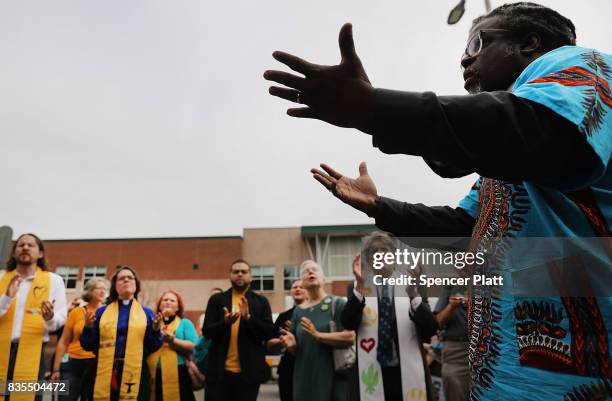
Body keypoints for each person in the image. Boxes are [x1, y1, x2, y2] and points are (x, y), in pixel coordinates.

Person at [265, 3, 611, 400]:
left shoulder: (581, 68)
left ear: (530, 43)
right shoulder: (507, 167)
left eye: (479, 43)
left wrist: (376, 108)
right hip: (514, 378)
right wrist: (380, 208)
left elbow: (537, 129)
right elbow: (464, 227)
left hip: (583, 374)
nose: (465, 57)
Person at [341, 233, 437, 401]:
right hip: (370, 369)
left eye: (384, 250)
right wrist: (359, 289)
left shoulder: (413, 283)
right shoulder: (357, 286)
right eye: (373, 251)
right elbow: (347, 323)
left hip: (406, 370)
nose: (379, 254)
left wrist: (413, 296)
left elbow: (430, 328)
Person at [0, 233, 68, 401]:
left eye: (31, 245)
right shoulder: (1, 278)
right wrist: (7, 297)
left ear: (40, 253)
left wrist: (50, 317)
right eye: (20, 245)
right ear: (14, 252)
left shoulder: (54, 281)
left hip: (34, 354)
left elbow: (58, 321)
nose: (25, 247)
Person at [80, 266, 164, 401]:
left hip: (136, 371)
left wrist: (154, 330)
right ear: (115, 286)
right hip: (105, 370)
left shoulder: (147, 314)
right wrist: (88, 328)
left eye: (130, 278)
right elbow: (88, 345)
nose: (126, 280)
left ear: (136, 285)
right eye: (121, 278)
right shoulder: (102, 312)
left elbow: (153, 346)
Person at [279, 260, 355, 401]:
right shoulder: (298, 311)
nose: (310, 272)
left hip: (333, 378)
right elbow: (296, 351)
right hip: (303, 379)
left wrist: (318, 335)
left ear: (324, 278)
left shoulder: (337, 303)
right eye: (306, 271)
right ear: (302, 281)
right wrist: (291, 345)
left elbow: (350, 336)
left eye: (314, 269)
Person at [203, 259, 275, 401]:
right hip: (219, 373)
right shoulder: (217, 300)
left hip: (248, 374)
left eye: (244, 272)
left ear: (251, 277)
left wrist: (249, 318)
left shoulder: (261, 301)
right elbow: (207, 332)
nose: (240, 274)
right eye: (236, 272)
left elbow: (269, 332)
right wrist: (225, 323)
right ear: (230, 276)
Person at [51, 278, 109, 401]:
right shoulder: (77, 312)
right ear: (89, 291)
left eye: (105, 289)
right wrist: (56, 369)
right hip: (72, 364)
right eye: (99, 288)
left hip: (96, 364)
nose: (103, 291)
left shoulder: (108, 313)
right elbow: (63, 341)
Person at [147, 290, 198, 401]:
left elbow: (194, 346)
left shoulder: (185, 323)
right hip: (153, 373)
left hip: (178, 371)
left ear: (178, 307)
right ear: (159, 306)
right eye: (165, 300)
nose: (168, 302)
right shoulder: (152, 322)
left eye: (172, 300)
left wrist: (173, 341)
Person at [266, 279, 307, 401]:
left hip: (310, 367)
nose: (298, 289)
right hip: (288, 369)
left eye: (301, 287)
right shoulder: (283, 316)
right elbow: (269, 344)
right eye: (295, 287)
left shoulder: (316, 313)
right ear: (291, 292)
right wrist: (283, 340)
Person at [434, 286, 469, 401]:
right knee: (454, 393)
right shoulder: (450, 287)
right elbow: (437, 323)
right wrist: (451, 306)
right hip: (455, 353)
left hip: (484, 349)